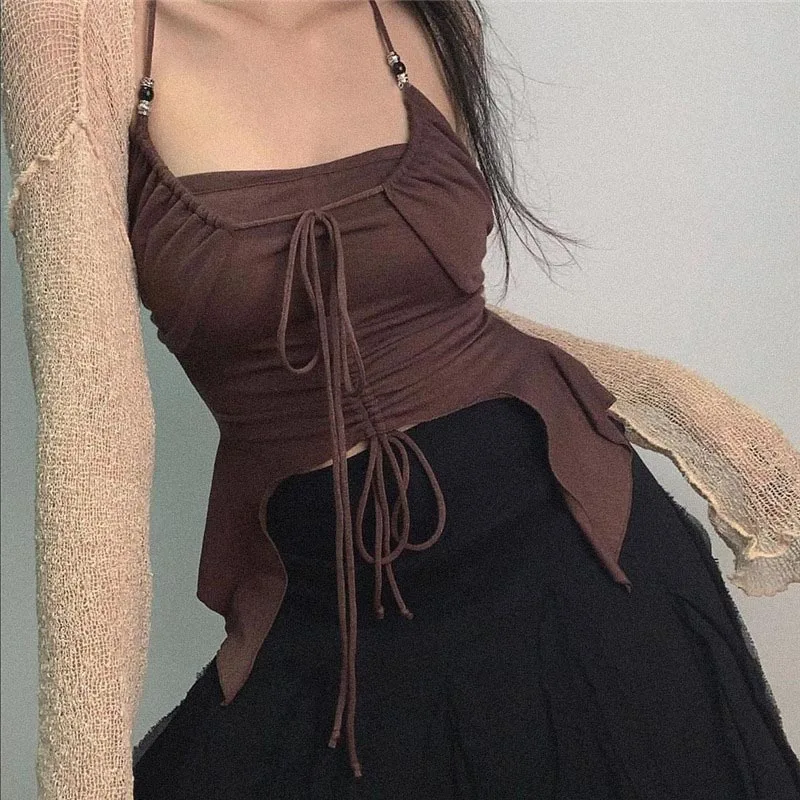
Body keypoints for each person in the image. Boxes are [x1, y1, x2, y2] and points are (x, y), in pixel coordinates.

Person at [2, 1, 799, 797]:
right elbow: (92, 425)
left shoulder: (432, 15)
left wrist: (694, 414)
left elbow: (439, 316)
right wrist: (81, 782)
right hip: (332, 615)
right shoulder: (72, 28)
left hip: (581, 569)